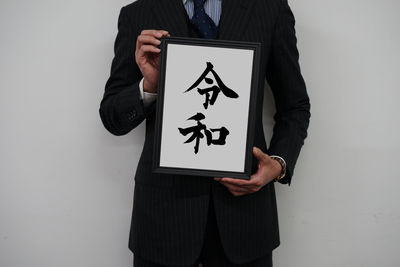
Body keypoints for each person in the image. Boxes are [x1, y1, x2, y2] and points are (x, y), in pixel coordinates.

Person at [99, 0, 311, 266]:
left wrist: (278, 164)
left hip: (245, 217)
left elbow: (295, 106)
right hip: (162, 219)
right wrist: (149, 86)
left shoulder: (269, 9)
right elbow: (112, 118)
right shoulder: (139, 14)